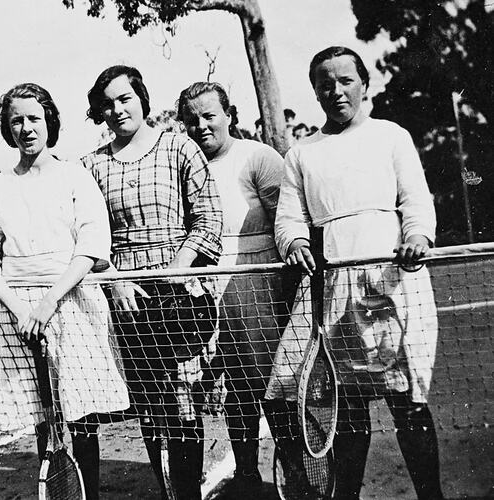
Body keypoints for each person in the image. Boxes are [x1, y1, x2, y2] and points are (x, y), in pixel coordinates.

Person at [265, 46, 444, 499]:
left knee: (408, 403)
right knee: (349, 409)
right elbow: (288, 219)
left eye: (345, 80)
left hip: (393, 283)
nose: (335, 90)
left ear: (364, 84)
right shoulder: (301, 153)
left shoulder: (392, 135)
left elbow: (417, 204)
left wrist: (417, 238)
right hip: (335, 289)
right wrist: (297, 242)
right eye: (325, 84)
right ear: (315, 92)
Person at [0, 82, 129, 500]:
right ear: (8, 129)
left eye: (34, 118)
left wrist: (50, 300)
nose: (26, 128)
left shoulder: (75, 175)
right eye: (16, 120)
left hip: (71, 303)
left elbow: (93, 245)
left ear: (49, 122)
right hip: (18, 313)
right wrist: (22, 309)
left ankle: (88, 492)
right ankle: (58, 492)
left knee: (81, 414)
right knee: (44, 417)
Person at [81, 65, 223, 500]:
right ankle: (167, 491)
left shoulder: (178, 146)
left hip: (178, 293)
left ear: (141, 98)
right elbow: (86, 233)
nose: (117, 109)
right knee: (150, 405)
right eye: (107, 103)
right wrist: (114, 279)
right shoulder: (93, 165)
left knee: (182, 403)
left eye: (125, 98)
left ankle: (188, 494)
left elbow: (209, 216)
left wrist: (177, 270)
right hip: (125, 296)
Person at [177, 81, 291, 493]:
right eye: (192, 120)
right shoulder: (184, 163)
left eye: (209, 115)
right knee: (234, 387)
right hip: (206, 282)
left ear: (230, 114)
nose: (201, 125)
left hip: (258, 278)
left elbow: (287, 220)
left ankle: (293, 470)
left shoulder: (259, 157)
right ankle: (247, 474)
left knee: (274, 385)